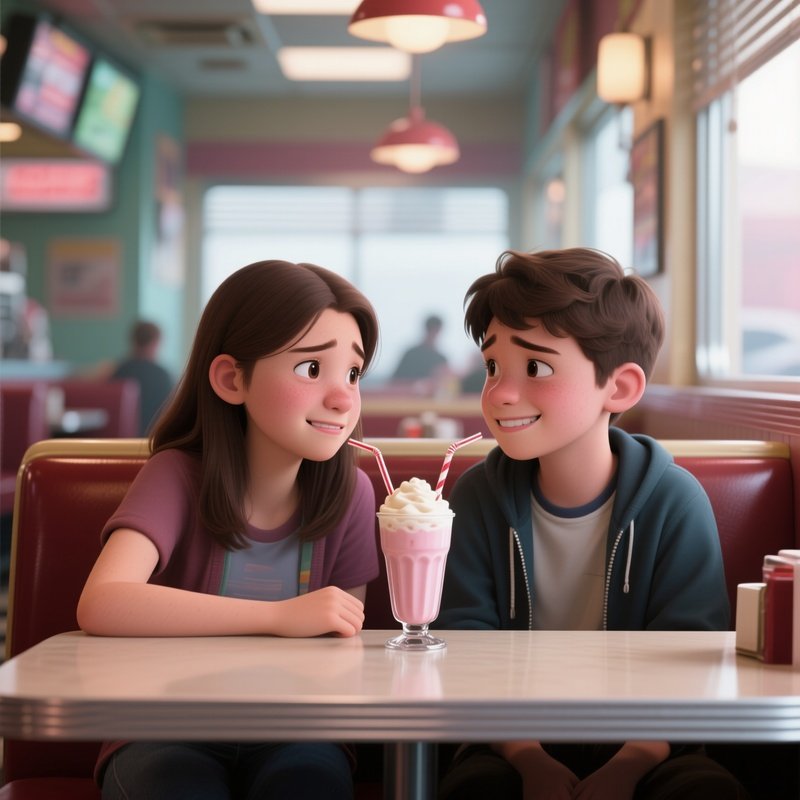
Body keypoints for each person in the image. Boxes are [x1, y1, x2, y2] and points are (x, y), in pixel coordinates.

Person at [435, 248, 749, 800]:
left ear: (620, 387)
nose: (501, 393)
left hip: (649, 745)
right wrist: (527, 756)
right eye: (492, 367)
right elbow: (466, 649)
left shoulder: (674, 501)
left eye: (535, 367)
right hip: (506, 740)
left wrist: (629, 765)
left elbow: (691, 654)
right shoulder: (478, 496)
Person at [77, 260, 381, 800]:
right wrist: (278, 618)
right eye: (312, 370)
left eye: (353, 374)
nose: (342, 398)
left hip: (298, 731)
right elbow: (102, 602)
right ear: (231, 379)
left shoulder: (352, 495)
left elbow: (343, 652)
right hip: (164, 725)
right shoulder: (177, 475)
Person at [110, 320, 174, 435]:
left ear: (133, 341)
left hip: (121, 444)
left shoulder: (119, 371)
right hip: (155, 440)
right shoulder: (163, 375)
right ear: (156, 342)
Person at [391, 313, 449, 382]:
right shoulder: (410, 355)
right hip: (408, 392)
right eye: (432, 330)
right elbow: (395, 380)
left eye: (436, 331)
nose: (434, 334)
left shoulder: (441, 359)